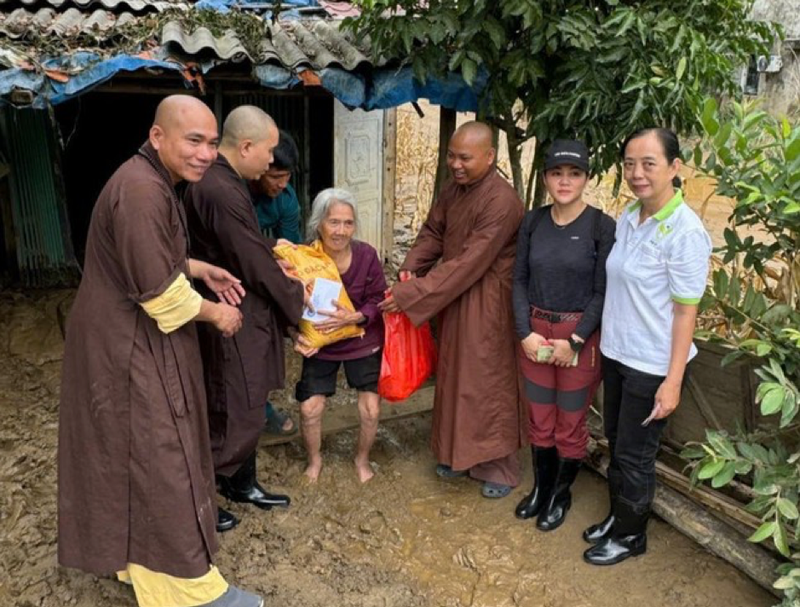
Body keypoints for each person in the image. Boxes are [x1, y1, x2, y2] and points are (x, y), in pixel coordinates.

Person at [58, 95, 264, 607]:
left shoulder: (152, 181)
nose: (205, 153)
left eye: (213, 143)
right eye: (193, 140)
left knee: (133, 455)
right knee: (158, 454)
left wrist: (198, 268)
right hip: (126, 346)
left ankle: (139, 566)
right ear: (158, 137)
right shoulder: (141, 190)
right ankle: (190, 591)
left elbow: (154, 257)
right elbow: (158, 292)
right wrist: (219, 313)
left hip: (122, 337)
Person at [583, 128, 712, 566]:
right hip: (618, 353)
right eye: (630, 164)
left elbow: (685, 313)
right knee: (617, 441)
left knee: (635, 455)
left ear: (675, 168)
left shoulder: (686, 232)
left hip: (652, 364)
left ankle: (631, 536)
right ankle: (618, 517)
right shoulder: (629, 216)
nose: (637, 174)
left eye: (649, 164)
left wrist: (672, 381)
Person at [380, 121, 525, 498]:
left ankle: (498, 467)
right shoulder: (454, 190)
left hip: (487, 301)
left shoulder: (502, 201)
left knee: (486, 381)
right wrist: (413, 268)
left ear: (490, 157)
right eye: (451, 156)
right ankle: (458, 455)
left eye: (465, 158)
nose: (455, 164)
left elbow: (470, 262)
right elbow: (434, 231)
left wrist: (413, 295)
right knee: (454, 378)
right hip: (454, 294)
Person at [184, 106, 306, 533]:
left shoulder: (229, 183)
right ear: (248, 146)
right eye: (270, 151)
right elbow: (249, 258)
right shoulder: (219, 188)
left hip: (241, 302)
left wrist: (276, 250)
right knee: (235, 405)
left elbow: (251, 244)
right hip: (229, 308)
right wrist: (298, 300)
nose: (272, 161)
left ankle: (242, 482)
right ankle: (198, 498)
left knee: (248, 399)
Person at [512, 140, 616, 531]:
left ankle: (560, 494)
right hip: (536, 333)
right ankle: (540, 489)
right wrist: (524, 333)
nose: (565, 181)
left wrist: (574, 341)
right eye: (557, 173)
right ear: (546, 177)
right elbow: (519, 279)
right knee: (539, 417)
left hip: (580, 338)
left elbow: (603, 291)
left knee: (570, 422)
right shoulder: (533, 222)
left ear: (587, 178)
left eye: (574, 173)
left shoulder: (601, 227)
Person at [294, 188, 387, 483]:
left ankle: (361, 459)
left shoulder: (367, 256)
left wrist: (357, 316)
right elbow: (285, 301)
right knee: (310, 408)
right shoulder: (305, 258)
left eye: (348, 223)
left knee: (370, 409)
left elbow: (378, 298)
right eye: (334, 222)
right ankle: (315, 460)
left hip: (361, 339)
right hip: (322, 342)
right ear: (319, 223)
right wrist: (295, 334)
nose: (341, 231)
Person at [249, 130, 303, 437]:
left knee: (266, 343)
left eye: (287, 176)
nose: (281, 184)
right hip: (224, 274)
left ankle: (261, 406)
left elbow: (290, 254)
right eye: (275, 176)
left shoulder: (286, 199)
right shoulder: (235, 192)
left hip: (265, 274)